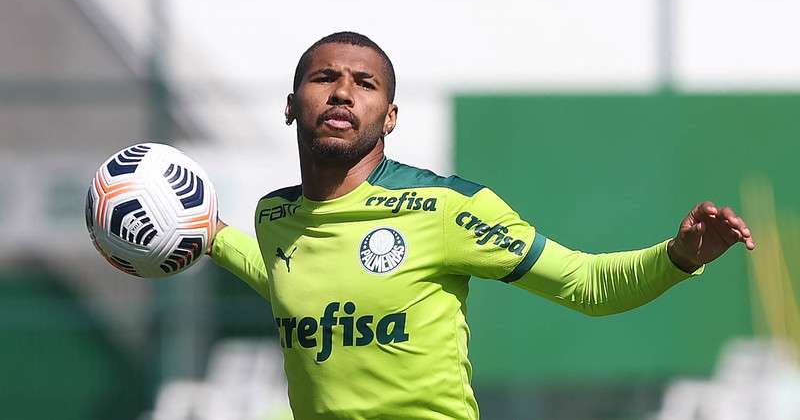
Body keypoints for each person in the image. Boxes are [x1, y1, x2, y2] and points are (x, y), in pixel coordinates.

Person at [208, 31, 756, 420]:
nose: (342, 93)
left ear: (390, 116)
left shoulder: (443, 207)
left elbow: (586, 285)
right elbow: (290, 280)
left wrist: (680, 257)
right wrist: (212, 235)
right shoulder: (275, 217)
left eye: (364, 83)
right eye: (324, 78)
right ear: (290, 105)